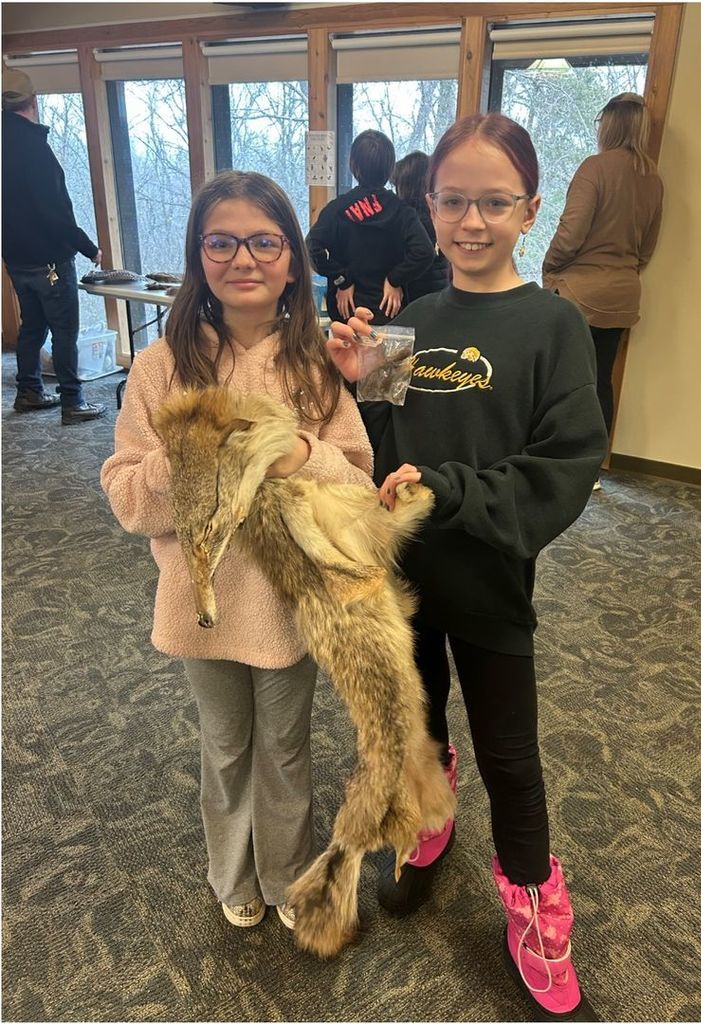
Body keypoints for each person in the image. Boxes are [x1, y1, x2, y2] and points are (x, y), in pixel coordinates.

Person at [327, 114, 607, 1021]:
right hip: (404, 580)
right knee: (418, 727)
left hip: (489, 580)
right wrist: (357, 377)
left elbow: (564, 465)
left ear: (531, 210)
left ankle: (534, 909)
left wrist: (450, 491)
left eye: (494, 202)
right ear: (429, 206)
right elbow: (378, 454)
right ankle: (429, 818)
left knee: (513, 758)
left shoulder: (554, 324)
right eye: (453, 201)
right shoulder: (416, 324)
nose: (471, 221)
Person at [101, 170, 373, 932]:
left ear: (291, 259)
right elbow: (126, 493)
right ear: (198, 255)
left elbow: (355, 486)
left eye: (264, 241)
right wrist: (183, 457)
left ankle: (288, 876)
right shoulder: (162, 367)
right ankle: (232, 873)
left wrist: (297, 453)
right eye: (221, 241)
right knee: (225, 748)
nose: (242, 258)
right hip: (202, 603)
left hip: (290, 599)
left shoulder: (315, 364)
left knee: (284, 750)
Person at [543, 92, 663, 485]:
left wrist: (550, 266)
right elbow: (647, 248)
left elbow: (570, 232)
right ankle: (593, 468)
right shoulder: (653, 179)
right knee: (600, 381)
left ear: (608, 126)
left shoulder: (595, 168)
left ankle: (558, 463)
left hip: (580, 293)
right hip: (624, 295)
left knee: (563, 381)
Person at [2, 68, 105, 425]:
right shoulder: (35, 149)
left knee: (32, 327)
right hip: (49, 261)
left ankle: (29, 392)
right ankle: (73, 402)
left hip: (15, 260)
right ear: (33, 102)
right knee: (64, 330)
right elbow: (54, 213)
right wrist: (89, 248)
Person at [307, 129, 433, 325]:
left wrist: (342, 279)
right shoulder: (402, 210)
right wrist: (395, 279)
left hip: (347, 311)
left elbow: (311, 248)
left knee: (343, 355)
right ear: (391, 168)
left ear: (353, 165)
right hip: (389, 310)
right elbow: (424, 252)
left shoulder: (337, 209)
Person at [390, 150, 450, 302]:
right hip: (441, 292)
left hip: (415, 297)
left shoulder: (407, 220)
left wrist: (393, 279)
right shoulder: (439, 215)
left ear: (406, 185)